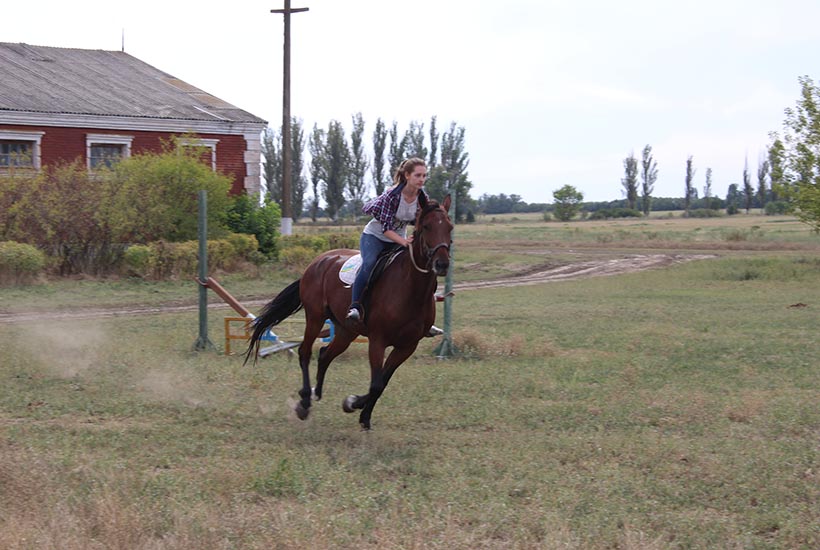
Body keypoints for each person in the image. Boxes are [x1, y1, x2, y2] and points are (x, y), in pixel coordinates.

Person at [346, 157, 443, 337]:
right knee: (369, 263)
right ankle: (355, 307)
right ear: (407, 175)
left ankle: (424, 319)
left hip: (399, 238)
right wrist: (404, 242)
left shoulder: (423, 198)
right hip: (375, 237)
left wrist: (418, 237)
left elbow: (421, 223)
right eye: (418, 175)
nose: (422, 179)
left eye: (424, 176)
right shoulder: (392, 196)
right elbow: (386, 230)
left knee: (421, 267)